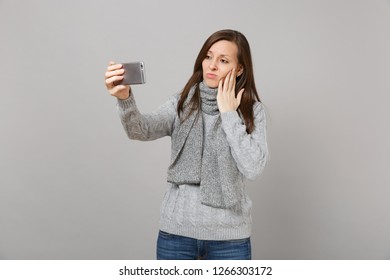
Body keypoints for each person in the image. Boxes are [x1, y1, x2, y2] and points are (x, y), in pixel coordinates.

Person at [104, 29, 268, 260]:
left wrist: (229, 113)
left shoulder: (252, 111)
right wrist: (125, 99)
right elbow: (140, 130)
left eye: (223, 60)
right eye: (208, 56)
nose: (211, 65)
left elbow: (253, 168)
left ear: (239, 68)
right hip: (176, 236)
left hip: (230, 240)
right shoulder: (181, 102)